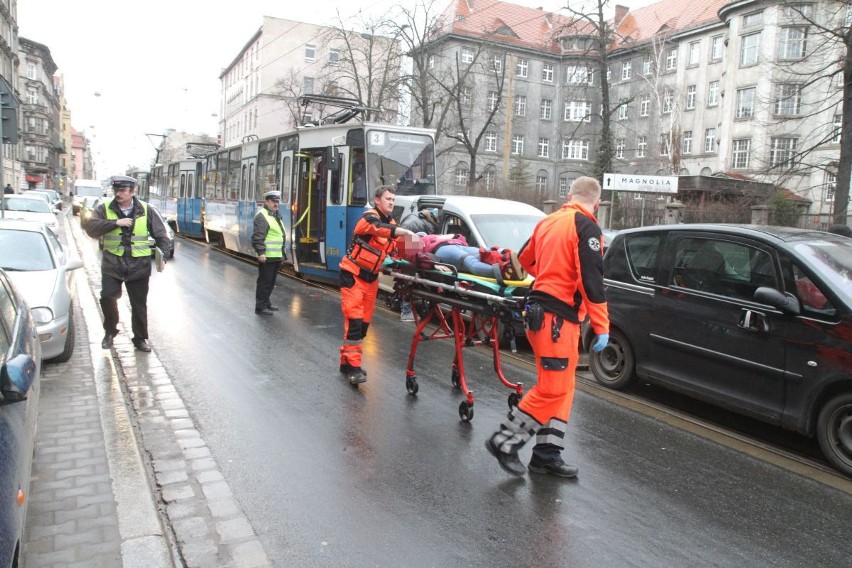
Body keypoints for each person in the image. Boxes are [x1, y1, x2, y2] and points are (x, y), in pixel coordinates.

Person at [485, 176, 610, 478]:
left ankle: (547, 454)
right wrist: (602, 325)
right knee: (553, 388)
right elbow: (592, 280)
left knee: (563, 388)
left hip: (542, 316)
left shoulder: (548, 222)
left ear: (569, 195)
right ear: (597, 202)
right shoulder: (587, 226)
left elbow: (525, 261)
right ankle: (505, 441)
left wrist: (553, 271)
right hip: (558, 320)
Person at [339, 186, 418, 385]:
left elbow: (402, 248)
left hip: (371, 278)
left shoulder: (391, 223)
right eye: (388, 199)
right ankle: (354, 368)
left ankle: (345, 361)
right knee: (355, 322)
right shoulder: (368, 218)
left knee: (363, 326)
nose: (391, 202)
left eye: (393, 199)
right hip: (353, 275)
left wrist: (423, 250)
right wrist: (402, 231)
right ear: (377, 201)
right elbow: (380, 230)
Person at [84, 175, 171, 352]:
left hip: (138, 266)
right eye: (116, 190)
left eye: (122, 190)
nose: (118, 194)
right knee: (108, 297)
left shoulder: (146, 210)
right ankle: (110, 331)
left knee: (139, 304)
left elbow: (162, 236)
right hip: (112, 264)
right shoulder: (104, 209)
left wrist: (163, 258)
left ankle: (140, 339)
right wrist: (115, 223)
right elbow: (91, 229)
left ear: (133, 192)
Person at [252, 190, 286, 315]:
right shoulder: (262, 216)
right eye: (273, 201)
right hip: (267, 255)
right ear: (267, 201)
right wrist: (261, 252)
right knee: (264, 281)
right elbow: (258, 237)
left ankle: (266, 303)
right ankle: (260, 306)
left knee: (271, 281)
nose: (276, 204)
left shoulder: (275, 214)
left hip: (275, 255)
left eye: (277, 201)